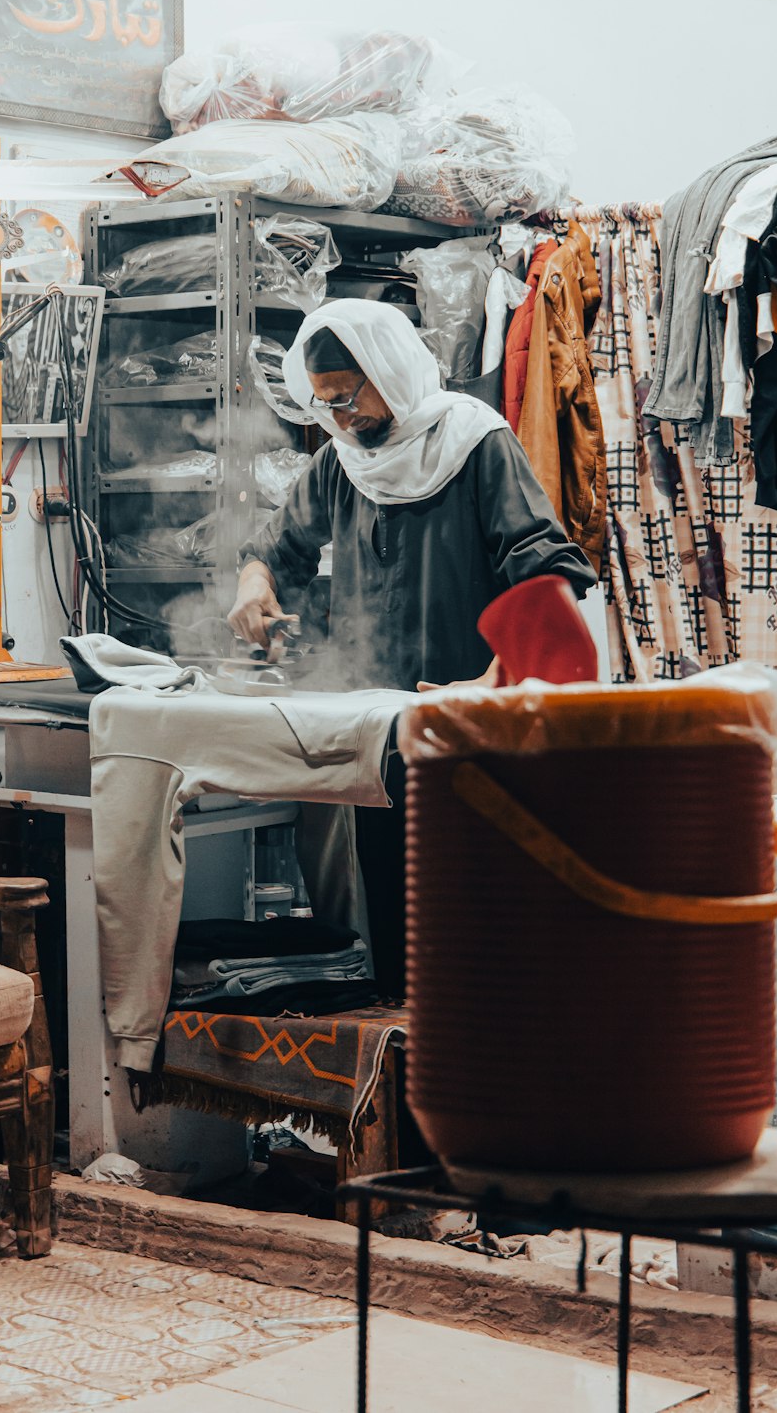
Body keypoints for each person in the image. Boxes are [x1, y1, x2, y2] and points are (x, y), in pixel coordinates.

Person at [228, 299, 598, 997]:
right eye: (327, 406)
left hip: (471, 727)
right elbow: (277, 547)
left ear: (390, 371)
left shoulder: (475, 443)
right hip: (382, 732)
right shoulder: (344, 461)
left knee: (480, 932)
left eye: (350, 399)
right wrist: (255, 582)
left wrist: (502, 673)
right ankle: (400, 1084)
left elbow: (546, 568)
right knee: (398, 933)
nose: (342, 420)